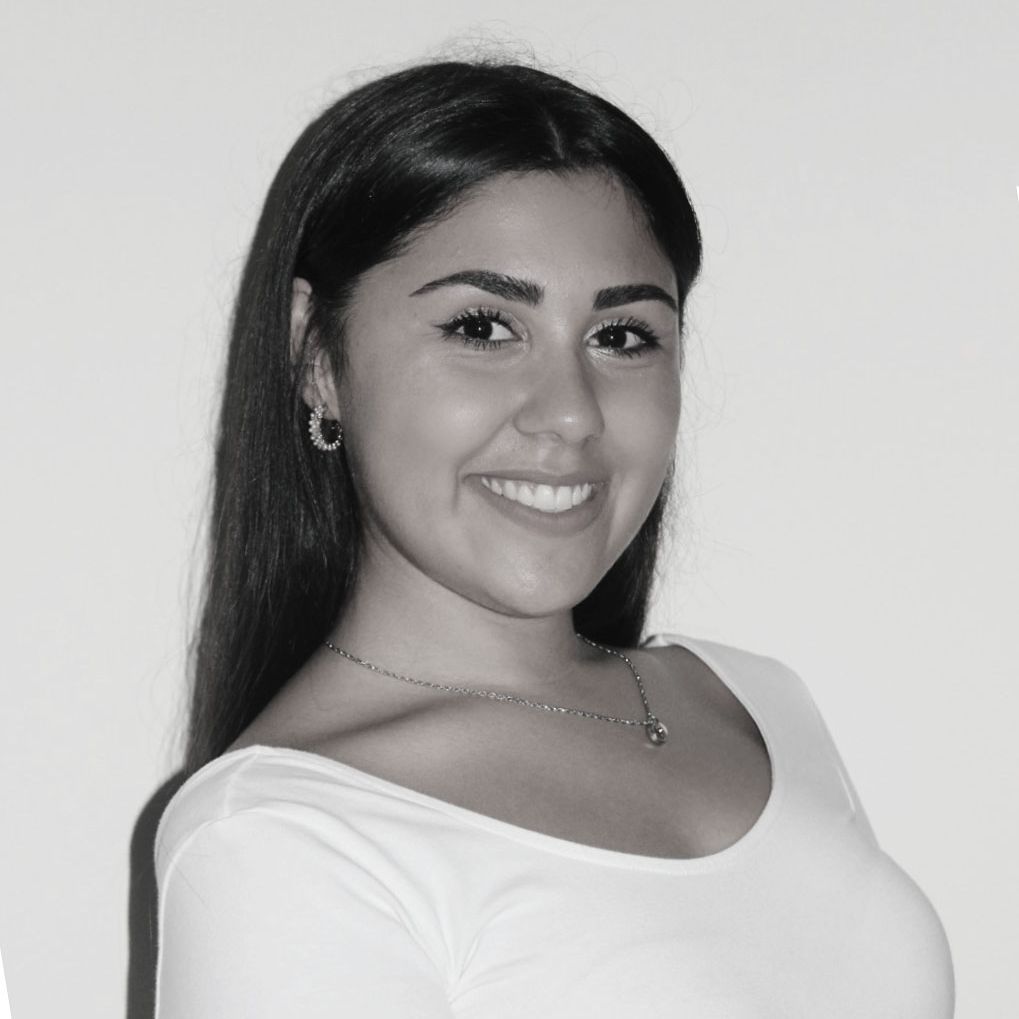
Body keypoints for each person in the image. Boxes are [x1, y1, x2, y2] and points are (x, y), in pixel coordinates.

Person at [153, 59, 954, 1017]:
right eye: (483, 326)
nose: (571, 413)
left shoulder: (760, 702)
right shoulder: (280, 838)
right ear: (316, 354)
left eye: (621, 336)